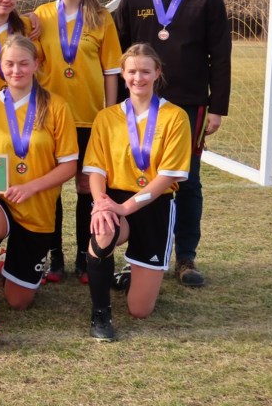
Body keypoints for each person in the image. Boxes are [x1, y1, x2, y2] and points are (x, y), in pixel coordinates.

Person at [113, 0, 231, 287]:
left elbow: (221, 55)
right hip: (140, 110)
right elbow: (118, 55)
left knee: (188, 181)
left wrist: (217, 107)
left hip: (189, 106)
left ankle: (186, 258)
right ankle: (139, 256)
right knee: (139, 177)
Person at [82, 43, 192, 341]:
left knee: (140, 310)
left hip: (154, 204)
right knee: (103, 234)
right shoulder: (106, 117)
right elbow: (95, 169)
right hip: (115, 199)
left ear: (157, 73)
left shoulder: (176, 117)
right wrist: (102, 202)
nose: (138, 78)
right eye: (132, 71)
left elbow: (168, 175)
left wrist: (126, 207)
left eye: (145, 71)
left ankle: (131, 274)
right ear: (123, 73)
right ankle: (101, 314)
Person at [0, 35, 78, 312]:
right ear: (1, 66)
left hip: (36, 206)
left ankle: (6, 261)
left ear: (36, 64)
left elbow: (68, 166)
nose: (16, 70)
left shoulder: (56, 106)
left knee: (19, 302)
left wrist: (31, 187)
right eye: (10, 64)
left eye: (23, 64)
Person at [34, 0, 122, 284]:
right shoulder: (41, 16)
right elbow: (32, 60)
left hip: (89, 118)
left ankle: (86, 257)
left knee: (87, 189)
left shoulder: (101, 17)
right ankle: (54, 257)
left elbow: (112, 70)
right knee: (52, 189)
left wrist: (110, 115)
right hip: (50, 118)